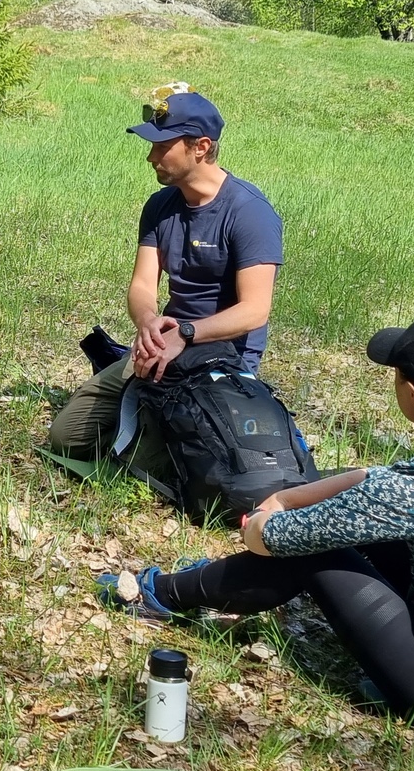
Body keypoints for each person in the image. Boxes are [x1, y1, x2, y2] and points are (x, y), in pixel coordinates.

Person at [107, 312, 414, 728]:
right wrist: (290, 496)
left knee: (312, 548)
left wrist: (265, 516)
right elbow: (373, 480)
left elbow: (271, 539)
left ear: (412, 393)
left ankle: (159, 594)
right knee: (346, 524)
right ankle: (201, 587)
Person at [47, 86, 284, 485]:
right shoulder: (161, 205)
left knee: (171, 467)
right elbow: (142, 284)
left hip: (221, 358)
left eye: (162, 145)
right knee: (65, 438)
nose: (151, 156)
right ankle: (145, 423)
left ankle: (154, 436)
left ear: (201, 146)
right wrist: (149, 324)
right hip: (164, 343)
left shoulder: (249, 213)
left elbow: (255, 310)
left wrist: (187, 335)